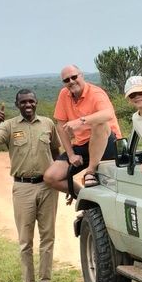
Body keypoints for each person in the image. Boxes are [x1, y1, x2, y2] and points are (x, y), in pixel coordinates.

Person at [0, 89, 63, 282]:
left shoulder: (47, 124)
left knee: (48, 236)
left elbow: (57, 153)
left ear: (36, 102)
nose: (28, 105)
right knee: (25, 240)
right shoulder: (8, 126)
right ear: (17, 104)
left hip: (47, 187)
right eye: (23, 102)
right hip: (22, 188)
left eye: (31, 101)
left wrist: (62, 180)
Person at [46, 65, 122, 197]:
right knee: (51, 177)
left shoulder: (96, 93)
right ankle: (86, 198)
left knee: (99, 123)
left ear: (82, 76)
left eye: (74, 77)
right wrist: (70, 155)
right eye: (66, 80)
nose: (71, 81)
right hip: (82, 144)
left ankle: (90, 171)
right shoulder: (64, 94)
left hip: (107, 143)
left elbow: (108, 114)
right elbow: (61, 126)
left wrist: (81, 121)